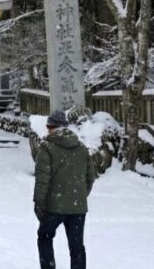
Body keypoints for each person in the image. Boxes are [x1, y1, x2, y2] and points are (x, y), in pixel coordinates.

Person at [33, 110, 97, 269]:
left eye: (49, 126)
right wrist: (80, 195)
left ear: (53, 127)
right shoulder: (81, 147)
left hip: (54, 206)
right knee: (77, 247)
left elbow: (42, 180)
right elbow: (90, 177)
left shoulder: (46, 146)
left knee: (44, 237)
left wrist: (39, 203)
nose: (47, 129)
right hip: (77, 207)